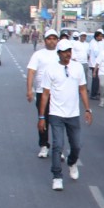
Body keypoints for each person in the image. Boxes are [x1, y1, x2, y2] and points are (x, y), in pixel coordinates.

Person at [38, 40, 92, 191]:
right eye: (64, 51)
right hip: (56, 113)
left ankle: (72, 162)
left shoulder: (78, 67)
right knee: (57, 145)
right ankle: (57, 176)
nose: (68, 54)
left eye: (69, 51)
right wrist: (42, 117)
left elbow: (82, 89)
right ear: (59, 53)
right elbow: (45, 94)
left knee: (76, 145)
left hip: (73, 114)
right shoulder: (51, 69)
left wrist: (88, 109)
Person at [26, 29, 61, 158]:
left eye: (54, 38)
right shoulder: (38, 55)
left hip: (58, 93)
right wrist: (29, 90)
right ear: (45, 40)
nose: (51, 41)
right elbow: (31, 72)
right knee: (43, 119)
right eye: (49, 38)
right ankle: (44, 145)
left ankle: (59, 147)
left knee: (58, 121)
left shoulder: (61, 54)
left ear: (57, 40)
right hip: (42, 92)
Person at [88, 30, 104, 99]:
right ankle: (93, 94)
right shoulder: (93, 43)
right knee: (95, 80)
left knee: (98, 79)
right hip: (94, 64)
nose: (101, 37)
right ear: (97, 36)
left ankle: (96, 92)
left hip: (99, 63)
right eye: (100, 36)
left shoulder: (102, 42)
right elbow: (96, 53)